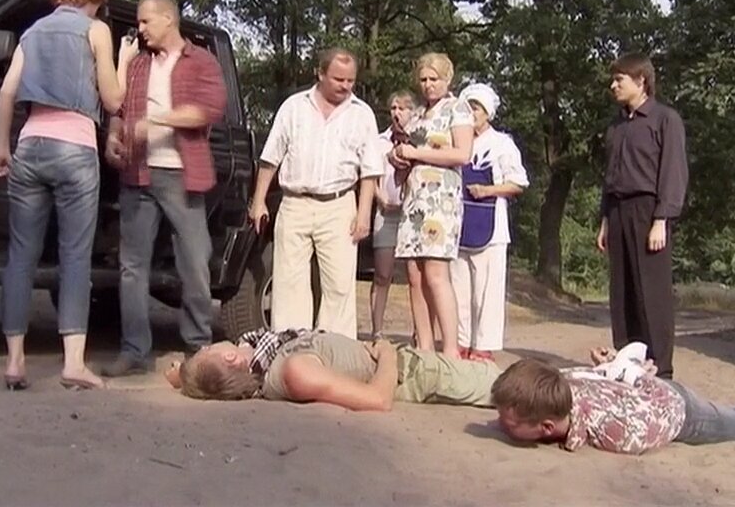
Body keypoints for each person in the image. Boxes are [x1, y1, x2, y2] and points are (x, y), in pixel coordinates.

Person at [0, 0, 138, 391]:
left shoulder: (33, 32)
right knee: (74, 255)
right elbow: (113, 100)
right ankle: (73, 363)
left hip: (30, 144)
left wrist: (2, 147)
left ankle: (15, 361)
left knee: (21, 255)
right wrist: (126, 60)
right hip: (75, 148)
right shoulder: (96, 30)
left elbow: (7, 91)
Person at [100, 0, 228, 377]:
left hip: (181, 174)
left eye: (145, 21)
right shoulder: (138, 64)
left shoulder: (201, 61)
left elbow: (207, 110)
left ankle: (198, 347)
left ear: (168, 19)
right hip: (137, 173)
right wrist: (113, 137)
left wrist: (155, 121)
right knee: (131, 266)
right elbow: (120, 108)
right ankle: (133, 350)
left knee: (195, 262)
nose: (139, 28)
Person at [248, 49, 383, 339]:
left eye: (350, 80)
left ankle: (335, 352)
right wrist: (259, 201)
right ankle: (290, 348)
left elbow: (370, 171)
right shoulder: (294, 107)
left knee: (339, 286)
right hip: (294, 202)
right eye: (338, 79)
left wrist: (363, 214)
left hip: (339, 204)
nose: (345, 86)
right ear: (320, 73)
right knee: (289, 283)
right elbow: (270, 158)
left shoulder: (362, 114)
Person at [491, 355, 735, 455]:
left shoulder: (619, 432)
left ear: (547, 426)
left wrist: (636, 374)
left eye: (509, 421)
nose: (500, 422)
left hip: (678, 408)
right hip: (632, 389)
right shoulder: (557, 384)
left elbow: (660, 418)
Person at [597, 52, 688, 379]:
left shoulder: (665, 119)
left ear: (641, 81)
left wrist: (662, 219)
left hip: (648, 211)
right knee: (622, 292)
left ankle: (660, 368)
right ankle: (627, 360)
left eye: (619, 79)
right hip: (617, 210)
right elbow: (610, 175)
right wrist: (605, 220)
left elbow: (673, 172)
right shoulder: (617, 125)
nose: (613, 85)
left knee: (652, 291)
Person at [165, 329, 501, 412]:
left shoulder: (260, 354)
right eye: (205, 350)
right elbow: (378, 400)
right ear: (230, 360)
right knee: (507, 387)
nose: (207, 346)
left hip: (412, 362)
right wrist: (387, 353)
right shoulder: (294, 371)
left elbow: (197, 376)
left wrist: (184, 376)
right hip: (417, 374)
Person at [389, 52, 474, 358]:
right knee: (414, 275)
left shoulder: (457, 108)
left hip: (441, 200)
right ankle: (424, 346)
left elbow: (462, 154)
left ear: (447, 79)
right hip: (414, 199)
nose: (428, 85)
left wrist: (417, 154)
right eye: (423, 79)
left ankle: (450, 348)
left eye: (434, 79)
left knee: (436, 274)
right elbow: (405, 150)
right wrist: (397, 157)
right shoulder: (416, 115)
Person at [451, 83, 528, 362]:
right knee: (458, 287)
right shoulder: (455, 139)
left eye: (477, 108)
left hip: (491, 223)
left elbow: (518, 182)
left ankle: (483, 344)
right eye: (468, 107)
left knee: (487, 291)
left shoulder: (501, 143)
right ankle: (460, 340)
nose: (472, 113)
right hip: (458, 222)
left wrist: (488, 191)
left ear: (488, 112)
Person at [369, 91, 421, 340]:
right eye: (393, 108)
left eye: (402, 108)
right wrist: (379, 196)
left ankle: (420, 333)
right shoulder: (380, 141)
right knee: (382, 273)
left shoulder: (420, 139)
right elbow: (370, 174)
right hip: (386, 212)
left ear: (413, 111)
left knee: (416, 276)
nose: (397, 113)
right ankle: (377, 332)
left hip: (413, 215)